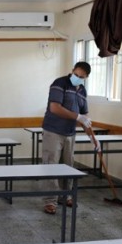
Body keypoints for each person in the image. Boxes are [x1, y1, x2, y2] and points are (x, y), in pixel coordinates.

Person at [41, 61, 100, 214]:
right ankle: (50, 201)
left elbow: (84, 116)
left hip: (70, 133)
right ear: (72, 70)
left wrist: (93, 138)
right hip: (53, 131)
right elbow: (55, 108)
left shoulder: (82, 91)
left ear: (86, 77)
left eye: (81, 77)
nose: (77, 77)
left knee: (68, 166)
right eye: (76, 74)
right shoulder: (60, 84)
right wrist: (78, 116)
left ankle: (65, 196)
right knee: (51, 166)